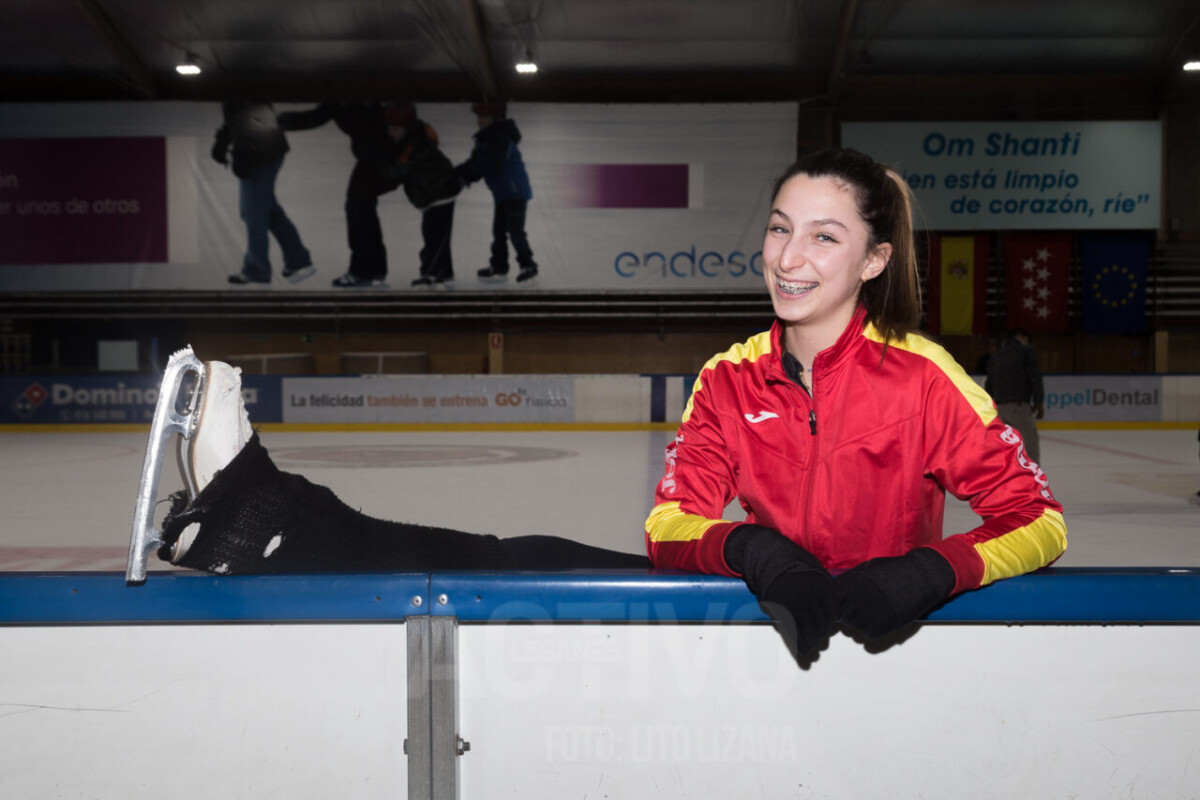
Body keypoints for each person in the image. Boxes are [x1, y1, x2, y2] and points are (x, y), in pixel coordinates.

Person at [152, 147, 1066, 662]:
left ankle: (268, 520)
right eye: (781, 229)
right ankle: (262, 521)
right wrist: (752, 548)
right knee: (521, 560)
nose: (789, 258)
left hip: (879, 630)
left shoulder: (925, 379)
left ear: (872, 260)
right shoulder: (730, 378)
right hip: (754, 614)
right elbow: (672, 522)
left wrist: (927, 574)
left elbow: (1039, 521)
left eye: (825, 237)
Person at [277, 102, 396, 288]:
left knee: (358, 211)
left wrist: (276, 121)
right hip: (378, 156)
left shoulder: (343, 94)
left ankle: (363, 271)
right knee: (362, 211)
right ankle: (373, 270)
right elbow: (316, 116)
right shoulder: (345, 96)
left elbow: (314, 117)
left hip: (378, 158)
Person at [211, 101, 314, 286]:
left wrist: (242, 151)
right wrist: (224, 141)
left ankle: (257, 270)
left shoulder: (236, 86)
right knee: (268, 210)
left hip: (261, 152)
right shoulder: (233, 90)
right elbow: (237, 117)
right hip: (265, 150)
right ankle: (298, 260)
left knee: (253, 213)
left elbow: (249, 115)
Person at [455, 102, 538, 285]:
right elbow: (475, 161)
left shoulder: (500, 137)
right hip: (503, 193)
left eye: (484, 117)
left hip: (514, 192)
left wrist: (466, 177)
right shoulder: (486, 138)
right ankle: (499, 267)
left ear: (495, 119)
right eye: (478, 117)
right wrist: (457, 174)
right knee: (498, 232)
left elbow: (490, 162)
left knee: (515, 232)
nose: (479, 121)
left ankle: (528, 267)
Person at [381, 102, 462, 289]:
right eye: (389, 129)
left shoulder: (415, 146)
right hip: (435, 195)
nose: (391, 134)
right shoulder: (415, 138)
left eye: (395, 129)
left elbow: (396, 171)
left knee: (435, 237)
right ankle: (445, 273)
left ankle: (430, 274)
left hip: (440, 195)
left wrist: (381, 165)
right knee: (436, 235)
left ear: (406, 127)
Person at [984, 328, 1045, 463]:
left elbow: (989, 386)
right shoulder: (1025, 352)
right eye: (1027, 340)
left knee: (1006, 449)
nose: (1027, 343)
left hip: (999, 408)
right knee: (1030, 447)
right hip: (1018, 406)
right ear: (1020, 336)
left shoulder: (995, 357)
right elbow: (1034, 378)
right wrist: (1038, 401)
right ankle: (1033, 481)